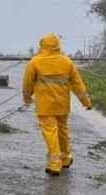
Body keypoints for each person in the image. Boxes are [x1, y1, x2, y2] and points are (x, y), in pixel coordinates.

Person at [22, 33, 93, 176]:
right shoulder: (67, 62)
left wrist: (27, 96)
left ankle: (54, 164)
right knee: (62, 131)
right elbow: (77, 84)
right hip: (62, 105)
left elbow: (28, 82)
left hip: (45, 106)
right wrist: (86, 102)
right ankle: (65, 158)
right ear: (57, 46)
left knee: (50, 133)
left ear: (43, 45)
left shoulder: (35, 62)